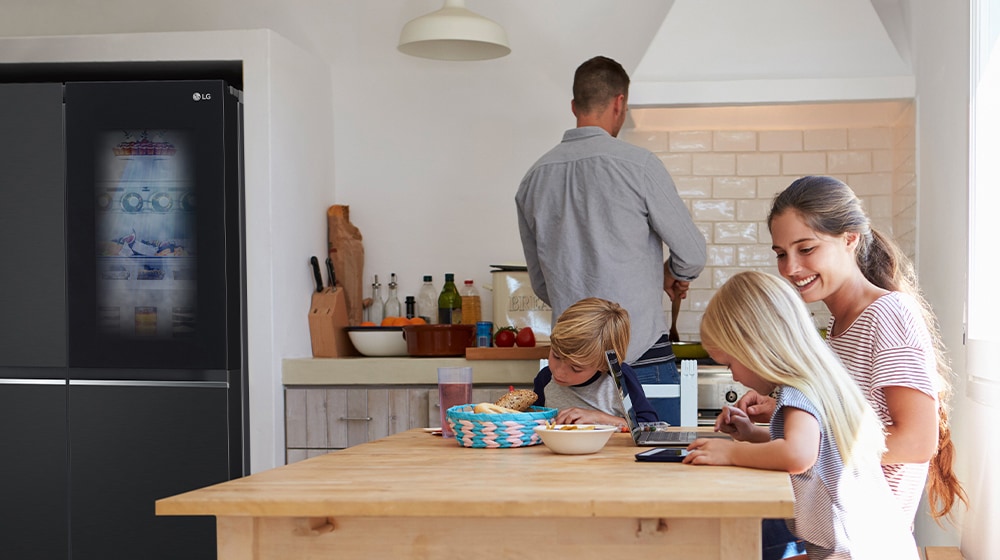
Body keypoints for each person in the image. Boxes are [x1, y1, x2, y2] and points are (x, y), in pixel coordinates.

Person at [735, 176, 967, 527]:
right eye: (782, 254)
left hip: (864, 539)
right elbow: (849, 428)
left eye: (806, 249)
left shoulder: (888, 314)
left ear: (849, 239)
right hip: (833, 529)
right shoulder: (841, 325)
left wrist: (805, 442)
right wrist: (779, 421)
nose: (790, 268)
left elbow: (916, 441)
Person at [516, 55, 707, 426]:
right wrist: (668, 273)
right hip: (642, 358)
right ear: (620, 102)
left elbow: (542, 285)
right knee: (651, 464)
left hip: (569, 369)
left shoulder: (533, 179)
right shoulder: (639, 165)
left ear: (574, 106)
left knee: (562, 471)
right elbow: (693, 255)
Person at [685, 271, 919, 560]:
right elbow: (819, 446)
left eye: (730, 362)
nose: (732, 374)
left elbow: (798, 454)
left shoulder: (798, 390)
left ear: (757, 348)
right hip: (874, 546)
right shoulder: (819, 380)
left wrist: (730, 453)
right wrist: (752, 434)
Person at [532, 297, 657, 428]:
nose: (559, 372)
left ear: (603, 365)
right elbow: (533, 424)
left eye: (576, 368)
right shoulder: (545, 379)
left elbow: (649, 426)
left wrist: (599, 418)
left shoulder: (619, 377)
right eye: (556, 356)